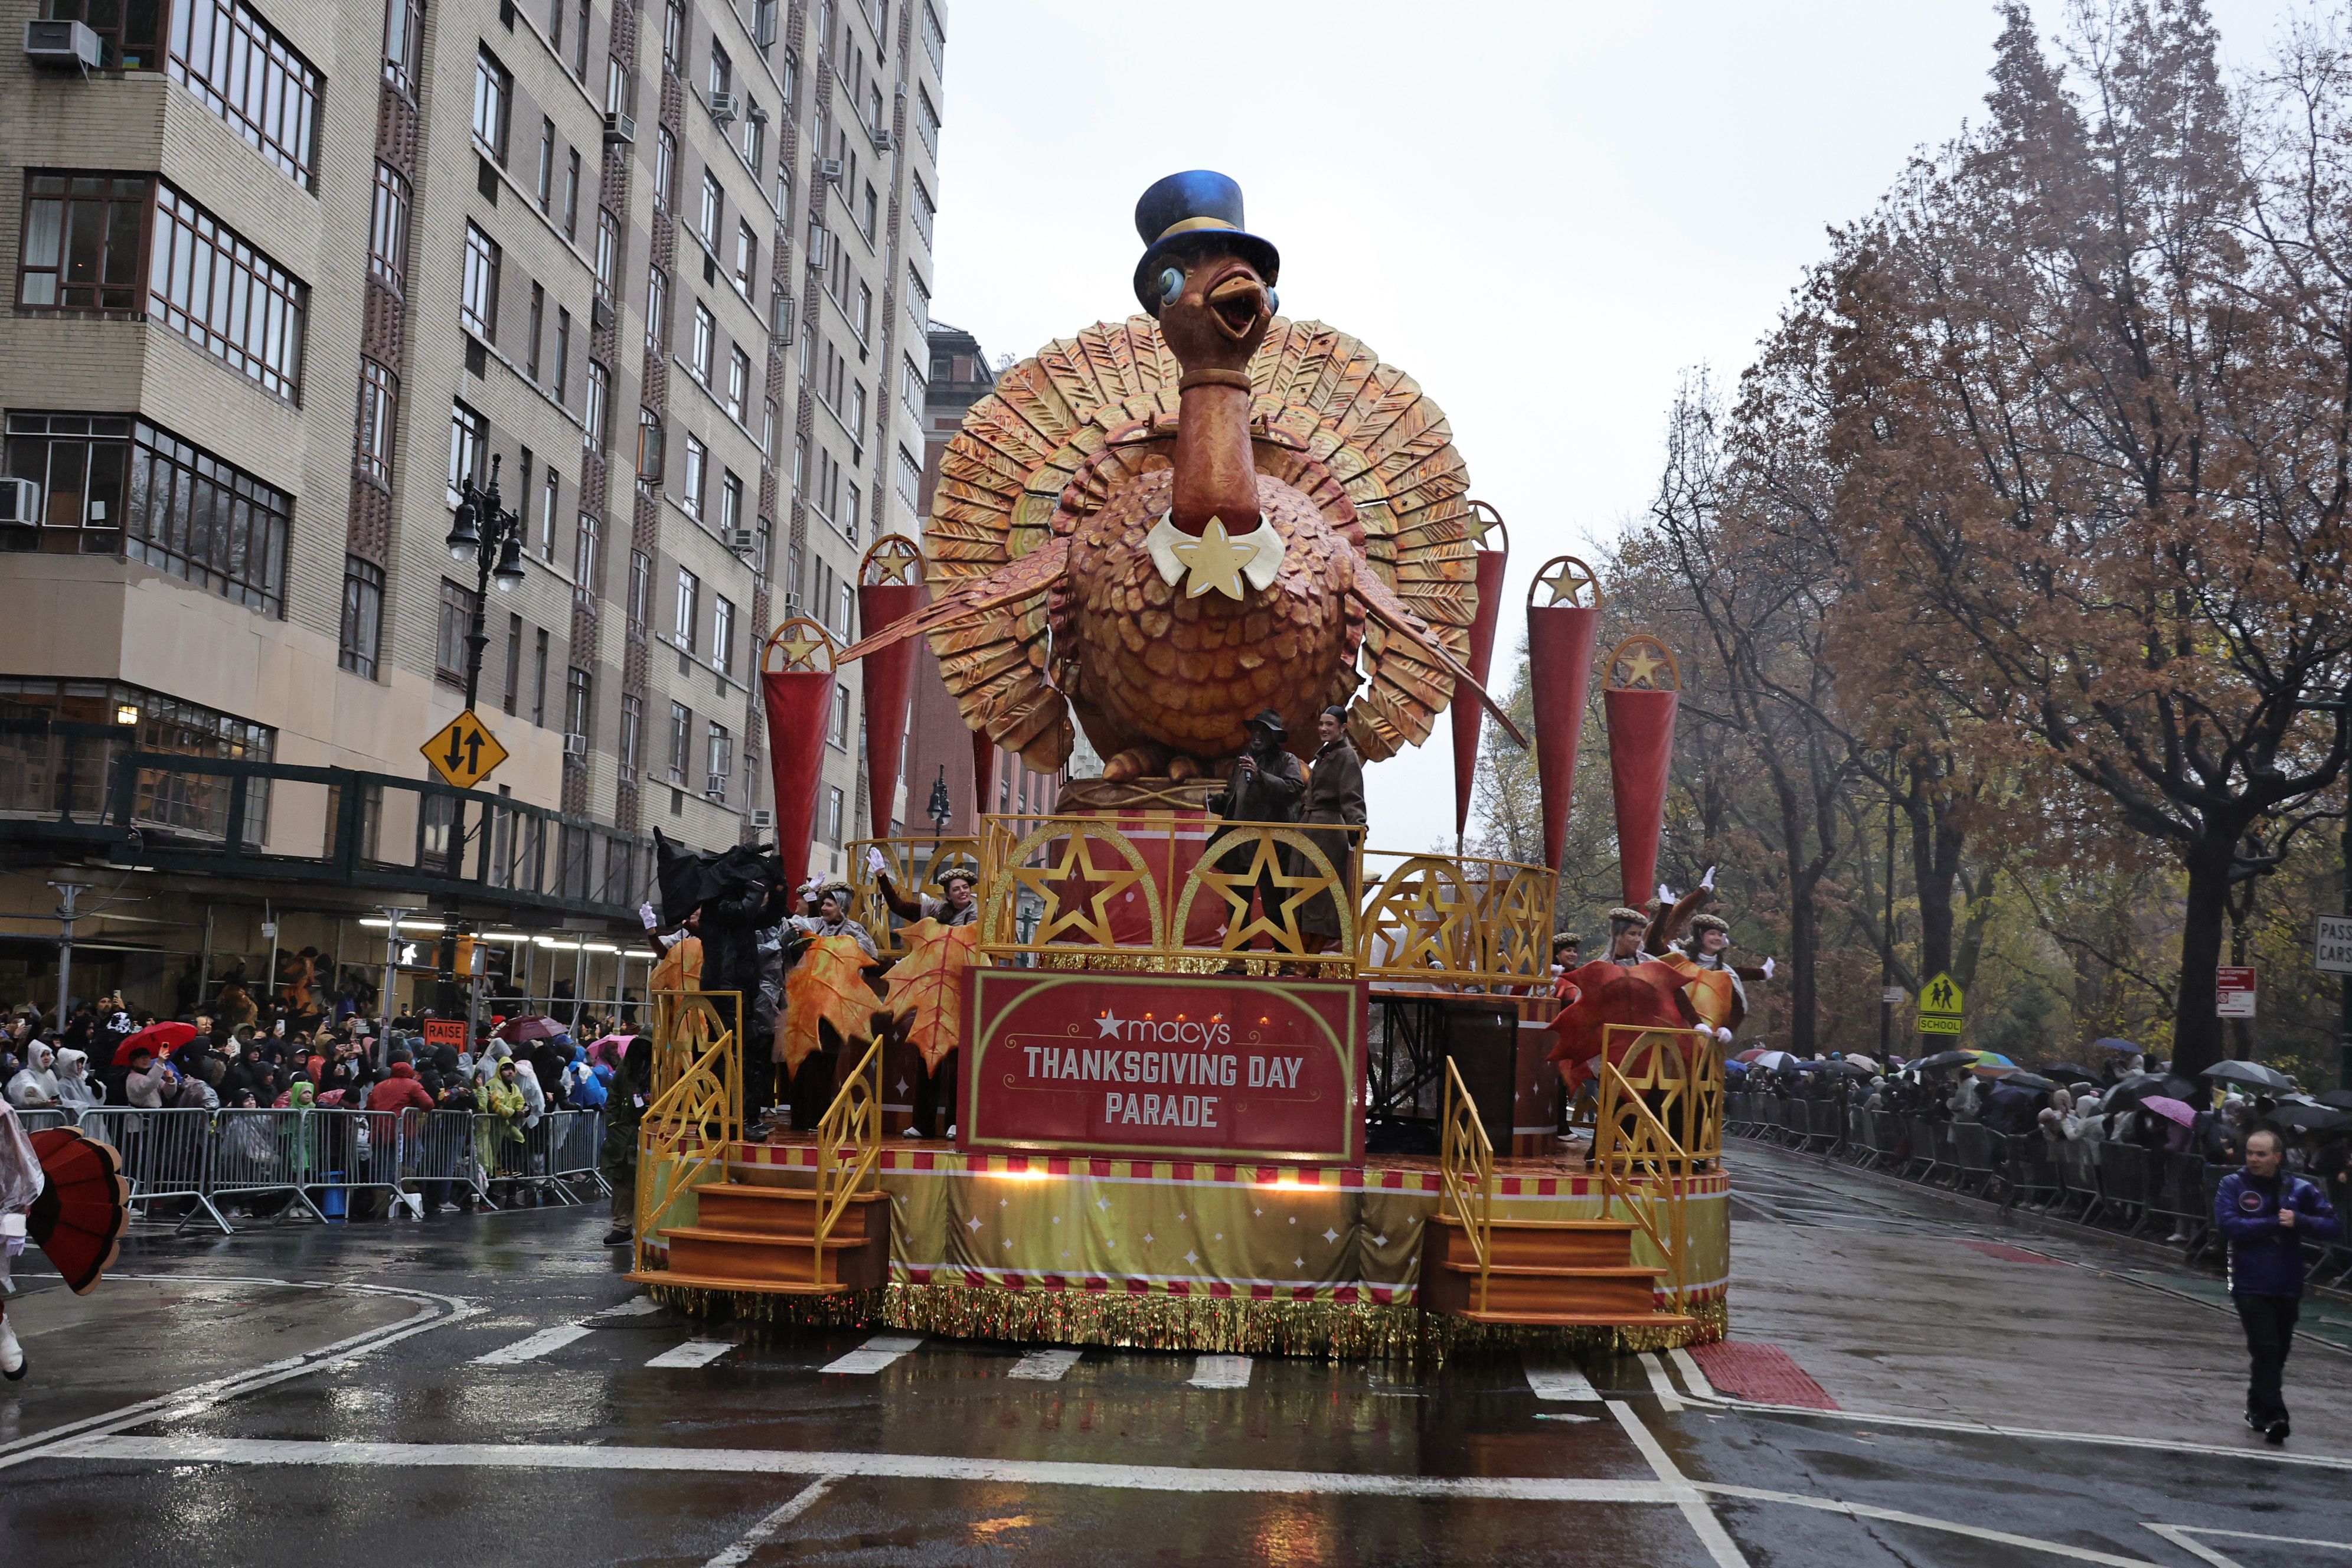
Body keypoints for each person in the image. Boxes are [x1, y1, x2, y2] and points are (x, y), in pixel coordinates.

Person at [2215, 1127, 2341, 1443]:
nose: (2253, 1159)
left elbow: (2333, 1226)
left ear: (2277, 1157)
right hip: (2248, 1281)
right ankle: (2276, 1415)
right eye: (2250, 1153)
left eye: (2261, 1154)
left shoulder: (2300, 1188)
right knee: (2267, 1347)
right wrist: (2274, 1223)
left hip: (2287, 1283)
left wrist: (2301, 1220)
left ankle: (2257, 1406)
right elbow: (2229, 1226)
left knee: (2277, 1351)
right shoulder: (2232, 1184)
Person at [1207, 708, 1306, 957]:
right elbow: (1233, 797)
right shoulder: (1242, 762)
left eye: (1264, 731)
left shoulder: (1287, 761)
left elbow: (1293, 790)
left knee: (1276, 907)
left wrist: (1261, 776)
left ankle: (1285, 960)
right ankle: (1237, 959)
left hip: (1273, 848)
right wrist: (1215, 802)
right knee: (1237, 905)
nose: (1258, 736)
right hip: (1240, 846)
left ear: (1275, 736)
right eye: (1255, 730)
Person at [1292, 705, 1366, 953]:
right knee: (1301, 893)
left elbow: (1353, 796)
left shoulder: (1347, 757)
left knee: (1322, 896)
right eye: (1321, 724)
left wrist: (1358, 825)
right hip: (1308, 828)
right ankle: (1304, 958)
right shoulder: (1324, 755)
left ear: (1343, 728)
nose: (1323, 729)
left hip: (1328, 830)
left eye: (1329, 724)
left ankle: (1311, 959)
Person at [599, 1034, 652, 1246]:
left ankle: (644, 1226)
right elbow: (613, 1097)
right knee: (622, 1180)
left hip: (651, 1129)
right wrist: (614, 1125)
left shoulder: (662, 1068)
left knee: (649, 1181)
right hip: (625, 1132)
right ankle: (621, 1226)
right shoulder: (627, 1067)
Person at [872, 853, 979, 927]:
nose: (962, 891)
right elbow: (898, 906)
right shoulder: (936, 910)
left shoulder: (978, 914)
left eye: (965, 887)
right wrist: (881, 875)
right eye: (956, 889)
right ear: (948, 896)